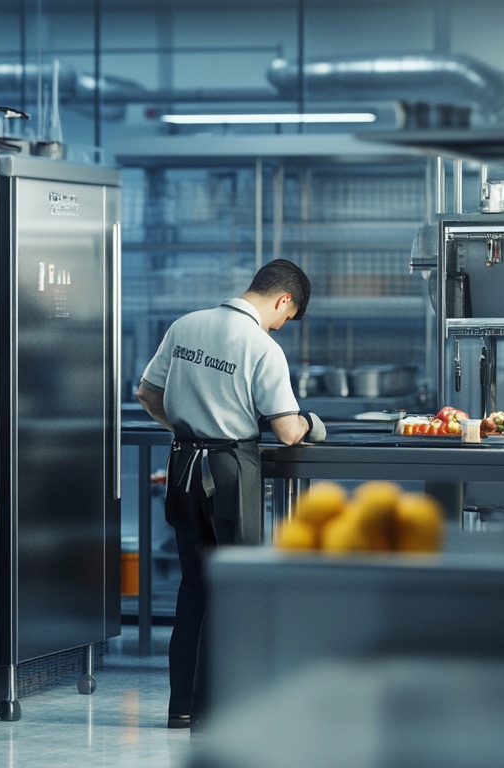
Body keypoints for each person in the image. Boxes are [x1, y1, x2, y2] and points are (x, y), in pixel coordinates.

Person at [134, 258, 326, 731]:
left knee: (194, 587)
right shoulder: (262, 346)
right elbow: (285, 430)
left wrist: (187, 428)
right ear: (283, 300)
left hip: (182, 466)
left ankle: (183, 707)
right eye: (288, 317)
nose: (283, 326)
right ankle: (227, 708)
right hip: (228, 472)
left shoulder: (186, 325)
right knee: (237, 590)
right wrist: (311, 424)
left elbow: (146, 393)